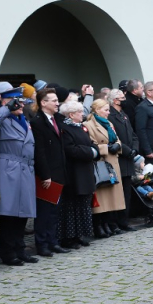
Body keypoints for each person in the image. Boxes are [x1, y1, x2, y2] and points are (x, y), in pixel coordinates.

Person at [0, 86, 39, 266]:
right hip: (8, 169)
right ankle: (7, 252)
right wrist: (6, 108)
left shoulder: (23, 119)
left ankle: (20, 249)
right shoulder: (0, 117)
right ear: (3, 99)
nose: (19, 104)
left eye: (20, 100)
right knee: (8, 213)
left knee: (23, 213)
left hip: (26, 169)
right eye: (14, 100)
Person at [31, 88, 70, 257]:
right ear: (43, 103)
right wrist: (45, 174)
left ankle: (53, 241)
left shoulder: (57, 119)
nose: (57, 103)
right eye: (53, 100)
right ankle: (42, 244)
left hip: (59, 171)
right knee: (44, 212)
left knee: (54, 211)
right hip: (47, 174)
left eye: (57, 100)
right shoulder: (38, 122)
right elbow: (39, 151)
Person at [58, 101, 98, 249]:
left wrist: (93, 150)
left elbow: (90, 143)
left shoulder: (81, 127)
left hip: (85, 169)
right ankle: (69, 237)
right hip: (74, 172)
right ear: (71, 114)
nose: (83, 114)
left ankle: (80, 234)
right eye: (80, 112)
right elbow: (70, 149)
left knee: (83, 205)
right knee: (71, 206)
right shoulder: (65, 129)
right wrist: (89, 151)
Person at [84, 99, 126, 238]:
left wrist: (118, 145)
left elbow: (117, 138)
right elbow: (90, 143)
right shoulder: (88, 125)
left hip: (113, 161)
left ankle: (109, 223)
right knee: (102, 198)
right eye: (106, 110)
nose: (108, 113)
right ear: (97, 110)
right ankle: (99, 225)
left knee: (112, 196)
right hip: (101, 163)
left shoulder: (109, 123)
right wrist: (105, 148)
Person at [107, 89, 139, 232]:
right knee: (117, 193)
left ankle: (124, 221)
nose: (124, 99)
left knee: (126, 192)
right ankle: (114, 222)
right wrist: (127, 150)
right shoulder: (111, 116)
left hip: (129, 158)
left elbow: (133, 134)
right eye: (121, 98)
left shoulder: (123, 114)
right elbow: (114, 137)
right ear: (114, 100)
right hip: (119, 158)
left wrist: (135, 149)